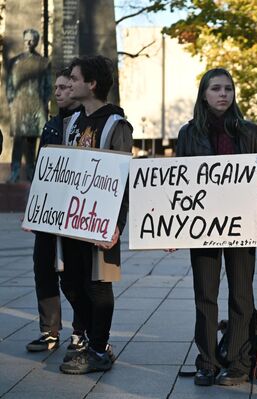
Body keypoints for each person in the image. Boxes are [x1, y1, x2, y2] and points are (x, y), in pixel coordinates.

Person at [175, 68, 257, 387]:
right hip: (202, 227)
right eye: (216, 88)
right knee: (205, 295)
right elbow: (176, 185)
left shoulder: (249, 131)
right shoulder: (188, 133)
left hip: (240, 224)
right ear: (204, 94)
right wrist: (173, 229)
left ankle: (239, 361)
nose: (223, 94)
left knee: (242, 296)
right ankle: (207, 361)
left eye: (228, 88)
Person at [58, 55, 133, 374]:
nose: (69, 84)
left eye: (74, 79)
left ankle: (99, 349)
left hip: (100, 220)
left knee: (99, 285)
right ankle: (91, 340)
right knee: (71, 282)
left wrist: (116, 224)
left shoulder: (117, 125)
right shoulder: (72, 121)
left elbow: (123, 177)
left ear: (92, 84)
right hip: (72, 219)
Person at [25, 68, 86, 354]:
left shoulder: (87, 123)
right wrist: (33, 211)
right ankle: (49, 330)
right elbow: (42, 170)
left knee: (74, 275)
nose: (59, 92)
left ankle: (82, 330)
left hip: (77, 211)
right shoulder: (51, 126)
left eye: (65, 87)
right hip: (48, 212)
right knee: (43, 267)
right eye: (57, 88)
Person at [5, 28, 51, 183]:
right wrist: (11, 103)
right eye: (26, 39)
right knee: (18, 141)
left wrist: (43, 104)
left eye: (31, 40)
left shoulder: (43, 63)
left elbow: (47, 86)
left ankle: (31, 171)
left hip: (35, 105)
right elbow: (9, 86)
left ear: (36, 41)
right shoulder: (14, 62)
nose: (28, 43)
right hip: (18, 105)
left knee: (32, 141)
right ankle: (15, 171)